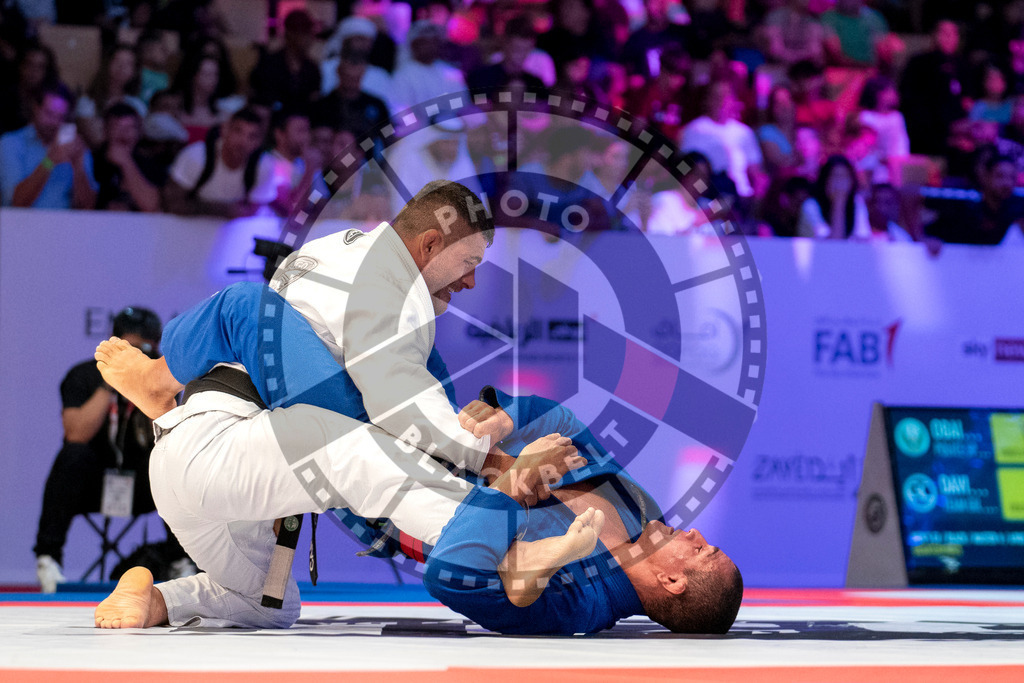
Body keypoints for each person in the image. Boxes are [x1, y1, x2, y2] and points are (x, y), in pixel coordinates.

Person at [93, 283, 743, 635]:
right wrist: (507, 416)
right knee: (409, 342)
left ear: (673, 585)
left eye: (701, 552)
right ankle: (164, 595)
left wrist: (509, 490)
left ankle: (165, 390)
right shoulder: (640, 510)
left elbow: (455, 575)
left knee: (253, 313)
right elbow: (567, 427)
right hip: (431, 447)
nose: (694, 533)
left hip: (396, 475)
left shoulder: (576, 603)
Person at [34, 308, 164, 592]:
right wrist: (110, 380)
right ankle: (48, 558)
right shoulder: (82, 376)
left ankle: (182, 560)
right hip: (93, 483)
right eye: (128, 349)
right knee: (73, 455)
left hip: (143, 485)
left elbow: (171, 433)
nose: (135, 357)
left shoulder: (163, 380)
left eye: (142, 350)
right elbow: (76, 433)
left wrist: (149, 384)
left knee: (172, 460)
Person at [162, 106, 276, 218]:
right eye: (238, 131)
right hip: (182, 228)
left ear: (259, 142)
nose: (243, 142)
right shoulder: (195, 157)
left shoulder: (263, 165)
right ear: (224, 130)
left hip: (231, 231)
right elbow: (172, 204)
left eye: (252, 136)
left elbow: (252, 211)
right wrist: (222, 210)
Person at [0, 86, 97, 209]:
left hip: (66, 226)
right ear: (36, 108)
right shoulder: (11, 143)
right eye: (49, 114)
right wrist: (49, 161)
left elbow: (89, 208)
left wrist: (79, 169)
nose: (54, 122)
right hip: (21, 226)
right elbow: (16, 202)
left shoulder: (76, 146)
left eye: (60, 117)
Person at [679, 80, 767, 200]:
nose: (721, 101)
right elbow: (683, 168)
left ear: (734, 101)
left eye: (726, 96)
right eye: (716, 96)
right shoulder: (694, 129)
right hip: (706, 196)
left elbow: (756, 171)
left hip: (740, 197)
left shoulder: (745, 132)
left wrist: (757, 192)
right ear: (707, 100)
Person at [900, 19, 968, 155]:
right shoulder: (918, 63)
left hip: (958, 128)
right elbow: (910, 99)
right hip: (926, 128)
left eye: (953, 33)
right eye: (943, 32)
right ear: (933, 36)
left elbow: (967, 100)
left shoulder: (963, 65)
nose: (948, 37)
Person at [923, 153, 1024, 245]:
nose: (1007, 183)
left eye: (1011, 178)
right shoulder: (962, 197)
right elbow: (910, 193)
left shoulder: (1015, 204)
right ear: (985, 176)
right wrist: (922, 238)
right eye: (1000, 176)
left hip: (981, 260)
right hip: (944, 257)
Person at [92, 102, 162, 212]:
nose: (124, 133)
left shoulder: (150, 165)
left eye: (130, 128)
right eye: (117, 127)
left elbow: (152, 206)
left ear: (139, 133)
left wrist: (126, 162)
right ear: (105, 131)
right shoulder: (91, 160)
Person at [387, 20, 468, 114]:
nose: (430, 46)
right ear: (414, 45)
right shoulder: (403, 75)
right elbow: (398, 109)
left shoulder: (451, 73)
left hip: (452, 126)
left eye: (434, 41)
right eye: (424, 42)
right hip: (417, 127)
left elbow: (462, 105)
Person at [248, 9, 321, 111]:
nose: (310, 39)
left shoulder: (312, 68)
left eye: (310, 34)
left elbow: (313, 103)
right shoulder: (269, 64)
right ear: (290, 34)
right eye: (305, 34)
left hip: (301, 123)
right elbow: (258, 99)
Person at [267, 106, 326, 217]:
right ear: (279, 134)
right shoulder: (269, 162)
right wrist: (310, 169)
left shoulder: (306, 162)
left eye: (307, 130)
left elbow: (322, 203)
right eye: (300, 131)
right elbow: (292, 208)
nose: (306, 137)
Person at [797, 154, 871, 239]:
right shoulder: (810, 206)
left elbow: (863, 239)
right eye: (835, 177)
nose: (840, 184)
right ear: (825, 181)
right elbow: (833, 244)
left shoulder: (857, 202)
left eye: (844, 177)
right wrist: (839, 202)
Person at [466, 15, 546, 92]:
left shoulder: (536, 85)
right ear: (505, 44)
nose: (520, 56)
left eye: (525, 50)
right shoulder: (480, 79)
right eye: (516, 49)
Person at [857, 75, 909, 185]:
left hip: (895, 165)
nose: (894, 94)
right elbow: (865, 149)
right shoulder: (865, 117)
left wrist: (896, 161)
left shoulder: (897, 117)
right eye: (889, 90)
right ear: (877, 94)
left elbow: (901, 145)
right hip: (872, 166)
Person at [820, 0, 889, 67]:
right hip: (840, 71)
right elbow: (836, 55)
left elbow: (882, 50)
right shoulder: (828, 17)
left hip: (873, 72)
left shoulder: (874, 18)